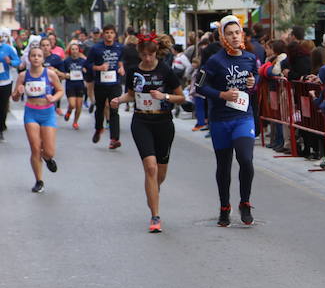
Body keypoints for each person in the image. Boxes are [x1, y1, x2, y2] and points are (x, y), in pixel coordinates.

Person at [110, 38, 186, 233]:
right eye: (144, 55)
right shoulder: (134, 71)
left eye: (150, 54)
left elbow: (182, 97)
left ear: (155, 53)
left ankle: (153, 191)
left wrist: (165, 97)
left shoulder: (166, 70)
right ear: (139, 54)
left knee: (160, 173)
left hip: (163, 122)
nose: (147, 58)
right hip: (142, 121)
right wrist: (119, 99)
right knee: (150, 168)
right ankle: (155, 215)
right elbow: (131, 94)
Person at [196, 15, 259, 227]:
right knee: (224, 165)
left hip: (243, 117)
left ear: (242, 34)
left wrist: (252, 81)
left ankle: (245, 202)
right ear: (223, 36)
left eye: (237, 32)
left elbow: (255, 81)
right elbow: (200, 87)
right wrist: (222, 95)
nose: (234, 36)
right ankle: (224, 207)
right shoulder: (215, 61)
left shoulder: (249, 58)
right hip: (220, 119)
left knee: (246, 159)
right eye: (229, 33)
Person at [11, 46, 63, 193]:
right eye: (33, 55)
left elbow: (60, 90)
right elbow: (14, 98)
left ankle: (48, 159)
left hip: (47, 113)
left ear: (42, 59)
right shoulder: (23, 76)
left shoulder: (50, 74)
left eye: (39, 56)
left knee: (49, 151)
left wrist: (53, 98)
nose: (36, 58)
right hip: (31, 113)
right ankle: (39, 181)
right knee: (35, 148)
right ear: (29, 58)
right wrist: (18, 93)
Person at [86, 25, 126, 148]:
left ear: (115, 35)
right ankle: (99, 129)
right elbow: (87, 64)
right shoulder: (96, 48)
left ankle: (114, 139)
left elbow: (121, 61)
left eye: (111, 32)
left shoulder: (120, 47)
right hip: (100, 83)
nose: (109, 35)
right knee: (100, 108)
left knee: (114, 109)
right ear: (103, 34)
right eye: (107, 32)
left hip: (115, 83)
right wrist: (99, 68)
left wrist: (121, 68)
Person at [61, 40, 89, 130]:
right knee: (72, 104)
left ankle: (75, 122)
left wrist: (85, 72)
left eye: (76, 49)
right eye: (72, 49)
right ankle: (69, 111)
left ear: (79, 50)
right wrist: (66, 75)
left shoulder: (82, 61)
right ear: (70, 51)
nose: (74, 51)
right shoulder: (67, 61)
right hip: (70, 85)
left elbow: (88, 71)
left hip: (80, 85)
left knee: (79, 105)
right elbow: (62, 72)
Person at [0, 35, 21, 141]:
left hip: (5, 82)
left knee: (3, 106)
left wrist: (10, 62)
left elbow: (18, 61)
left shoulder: (8, 48)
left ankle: (1, 127)